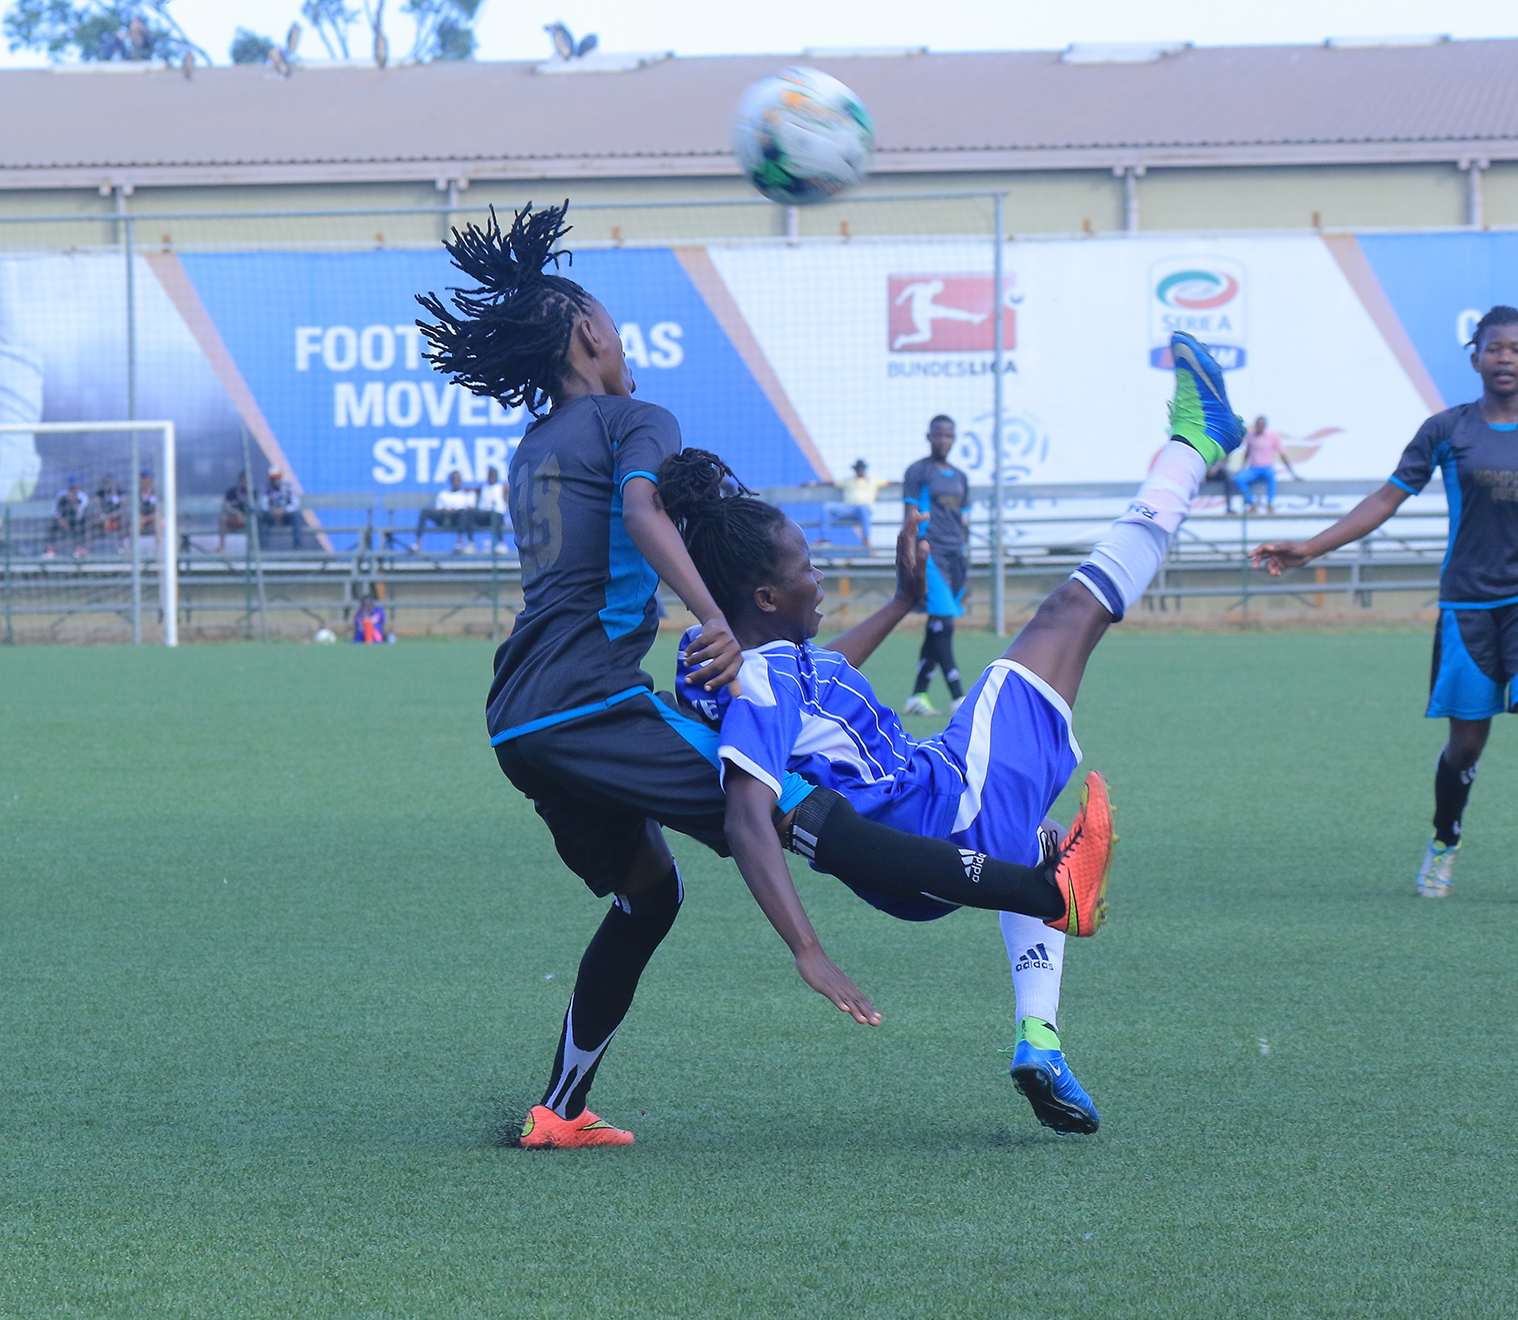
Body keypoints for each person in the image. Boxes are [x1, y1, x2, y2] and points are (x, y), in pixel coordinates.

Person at [414, 203, 1110, 1149]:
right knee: (791, 814)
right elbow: (648, 513)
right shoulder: (633, 419)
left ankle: (558, 1112)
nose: (624, 346)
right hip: (590, 703)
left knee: (649, 894)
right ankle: (1045, 892)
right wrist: (712, 619)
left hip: (519, 720)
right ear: (586, 332)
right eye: (613, 329)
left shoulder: (532, 448)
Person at [659, 332, 1235, 1135]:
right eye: (805, 570)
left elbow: (818, 682)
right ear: (763, 595)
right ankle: (1198, 442)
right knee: (1071, 610)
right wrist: (806, 950)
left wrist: (898, 602)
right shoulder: (756, 678)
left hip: (921, 835)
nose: (819, 576)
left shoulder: (751, 662)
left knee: (1039, 848)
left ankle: (1041, 1043)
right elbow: (745, 817)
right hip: (944, 804)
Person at [1253, 305, 1518, 904]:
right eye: (1493, 347)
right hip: (1466, 606)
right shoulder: (1446, 431)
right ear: (1475, 358)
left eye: (1516, 348)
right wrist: (1310, 547)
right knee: (1467, 744)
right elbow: (1385, 499)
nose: (1504, 357)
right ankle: (1444, 842)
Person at [902, 416, 970, 716]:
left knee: (940, 626)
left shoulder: (960, 477)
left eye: (949, 435)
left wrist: (966, 557)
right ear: (929, 436)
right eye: (938, 434)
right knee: (942, 622)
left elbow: (962, 520)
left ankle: (918, 696)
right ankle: (959, 697)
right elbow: (910, 515)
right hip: (930, 553)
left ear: (954, 438)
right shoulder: (918, 471)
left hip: (956, 557)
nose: (943, 440)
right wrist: (912, 552)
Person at [1231, 414, 1299, 514]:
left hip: (1267, 468)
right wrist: (1241, 467)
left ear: (1265, 425)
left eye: (1261, 425)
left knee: (1272, 477)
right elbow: (1247, 453)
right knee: (1239, 478)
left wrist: (1292, 473)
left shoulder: (1273, 436)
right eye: (1258, 424)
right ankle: (1251, 503)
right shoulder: (1250, 436)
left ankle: (1270, 504)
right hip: (1253, 469)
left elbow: (1282, 454)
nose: (1259, 427)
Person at [414, 470, 477, 552]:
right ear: (450, 481)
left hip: (459, 519)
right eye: (453, 479)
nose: (455, 482)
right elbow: (439, 508)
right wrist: (447, 511)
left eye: (457, 479)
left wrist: (456, 511)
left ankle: (459, 543)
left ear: (461, 481)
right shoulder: (443, 494)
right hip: (444, 517)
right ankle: (417, 543)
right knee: (425, 512)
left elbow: (471, 508)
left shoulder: (468, 494)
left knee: (463, 513)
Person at [822, 458, 878, 546]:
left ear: (864, 469)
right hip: (848, 509)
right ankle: (824, 539)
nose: (859, 471)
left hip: (862, 511)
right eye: (857, 469)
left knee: (864, 507)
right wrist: (812, 484)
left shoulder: (873, 480)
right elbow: (832, 483)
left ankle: (866, 538)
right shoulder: (848, 480)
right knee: (827, 506)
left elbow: (890, 483)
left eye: (861, 469)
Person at [45, 475, 89, 557]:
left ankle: (79, 550)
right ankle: (50, 551)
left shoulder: (82, 497)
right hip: (62, 520)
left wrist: (73, 501)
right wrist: (61, 520)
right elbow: (55, 511)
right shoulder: (62, 495)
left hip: (75, 521)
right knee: (52, 525)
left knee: (81, 525)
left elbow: (80, 514)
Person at [259, 470, 300, 549]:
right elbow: (263, 504)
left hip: (286, 515)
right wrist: (272, 510)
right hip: (271, 515)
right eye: (273, 479)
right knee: (260, 519)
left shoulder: (289, 487)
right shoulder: (265, 488)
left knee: (297, 517)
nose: (275, 481)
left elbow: (295, 503)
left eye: (277, 478)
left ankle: (297, 547)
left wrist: (284, 510)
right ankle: (262, 548)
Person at [474, 464, 510, 552]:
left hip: (498, 515)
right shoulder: (482, 487)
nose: (492, 477)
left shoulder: (503, 487)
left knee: (496, 517)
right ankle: (470, 543)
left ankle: (501, 542)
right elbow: (472, 491)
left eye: (493, 475)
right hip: (484, 515)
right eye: (490, 475)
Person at [218, 470, 252, 553]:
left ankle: (251, 548)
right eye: (243, 480)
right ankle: (222, 548)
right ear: (239, 480)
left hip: (246, 520)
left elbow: (255, 508)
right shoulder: (231, 492)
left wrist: (244, 516)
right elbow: (224, 507)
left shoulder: (252, 493)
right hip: (234, 519)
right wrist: (236, 513)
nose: (244, 483)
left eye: (246, 481)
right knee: (222, 520)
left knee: (253, 522)